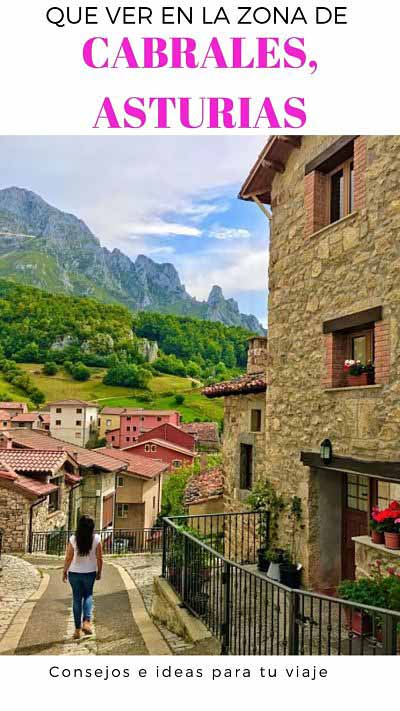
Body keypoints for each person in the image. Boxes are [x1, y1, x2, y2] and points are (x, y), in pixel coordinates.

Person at [63, 515, 103, 640]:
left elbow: (69, 557)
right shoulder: (96, 539)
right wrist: (99, 571)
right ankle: (86, 621)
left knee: (76, 599)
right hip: (89, 572)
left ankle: (76, 630)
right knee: (88, 595)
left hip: (74, 573)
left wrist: (64, 571)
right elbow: (100, 558)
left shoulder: (73, 539)